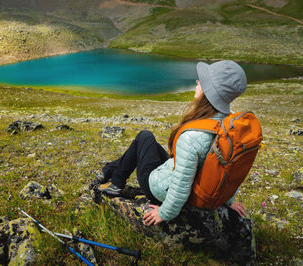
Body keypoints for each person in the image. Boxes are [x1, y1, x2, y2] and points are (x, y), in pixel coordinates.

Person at [97, 60, 248, 226]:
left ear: (209, 92)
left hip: (159, 189)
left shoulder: (193, 136)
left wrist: (164, 213)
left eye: (202, 81)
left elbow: (181, 185)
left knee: (144, 137)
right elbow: (230, 169)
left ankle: (116, 182)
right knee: (148, 143)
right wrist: (228, 199)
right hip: (190, 180)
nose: (197, 82)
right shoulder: (230, 126)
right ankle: (109, 170)